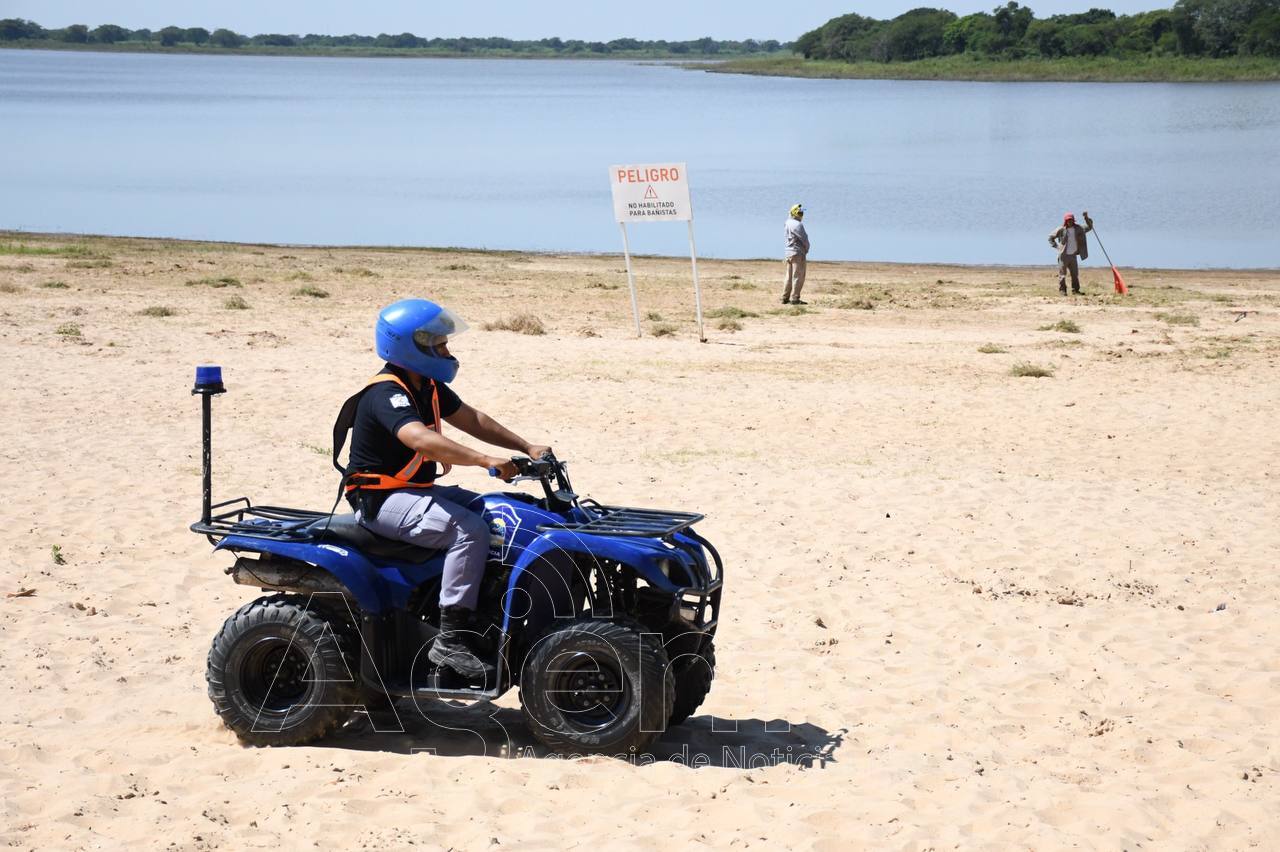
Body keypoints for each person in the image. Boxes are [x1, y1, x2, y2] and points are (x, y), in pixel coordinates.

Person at [339, 298, 551, 680]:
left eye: (444, 343)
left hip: (414, 493)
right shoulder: (387, 394)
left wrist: (526, 447)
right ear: (410, 346)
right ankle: (450, 639)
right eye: (437, 345)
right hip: (379, 501)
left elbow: (474, 420)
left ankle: (487, 611)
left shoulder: (429, 386)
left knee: (497, 511)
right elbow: (419, 438)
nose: (446, 351)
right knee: (467, 530)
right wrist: (485, 460)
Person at [1048, 211, 1094, 295]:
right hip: (1063, 256)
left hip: (1073, 256)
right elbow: (1050, 237)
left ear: (1073, 220)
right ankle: (1062, 291)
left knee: (1075, 274)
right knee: (1062, 274)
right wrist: (1057, 246)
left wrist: (1086, 218)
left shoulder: (1079, 228)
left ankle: (1075, 290)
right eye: (1068, 220)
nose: (1070, 222)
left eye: (1071, 220)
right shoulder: (1061, 229)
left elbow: (1090, 227)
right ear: (1065, 221)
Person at [782, 203, 810, 305]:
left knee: (788, 276)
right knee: (798, 275)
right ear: (795, 213)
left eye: (802, 212)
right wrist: (807, 249)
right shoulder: (798, 224)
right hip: (798, 252)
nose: (801, 215)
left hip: (788, 252)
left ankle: (785, 297)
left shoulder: (787, 222)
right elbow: (804, 239)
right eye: (800, 212)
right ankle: (795, 298)